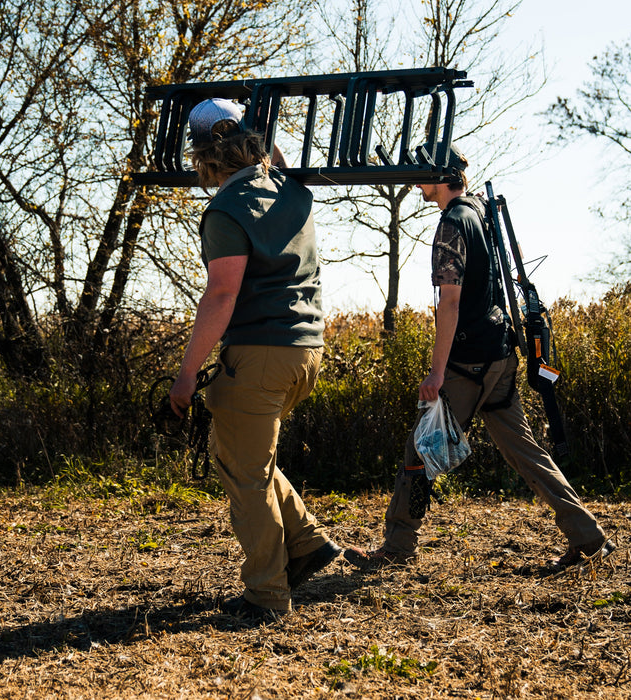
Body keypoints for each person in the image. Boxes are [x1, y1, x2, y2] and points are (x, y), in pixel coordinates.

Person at [345, 144, 615, 571]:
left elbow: (448, 305)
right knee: (526, 452)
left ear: (442, 175)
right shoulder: (482, 213)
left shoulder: (452, 224)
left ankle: (397, 549)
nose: (417, 182)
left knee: (419, 450)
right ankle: (588, 537)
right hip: (501, 355)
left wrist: (436, 373)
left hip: (466, 362)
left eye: (423, 174)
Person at [169, 98, 342, 621]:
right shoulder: (291, 190)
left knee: (246, 476)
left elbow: (222, 295)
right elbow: (277, 162)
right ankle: (308, 543)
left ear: (202, 154)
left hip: (260, 353)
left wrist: (184, 376)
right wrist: (262, 136)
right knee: (241, 455)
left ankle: (267, 594)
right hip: (306, 352)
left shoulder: (225, 210)